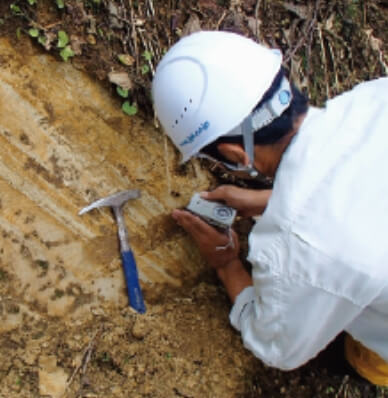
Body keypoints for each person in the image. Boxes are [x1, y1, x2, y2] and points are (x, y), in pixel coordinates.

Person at [152, 31, 388, 386]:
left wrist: (227, 264)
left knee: (366, 356)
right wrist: (271, 201)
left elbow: (277, 348)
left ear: (236, 156)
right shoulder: (374, 98)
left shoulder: (297, 252)